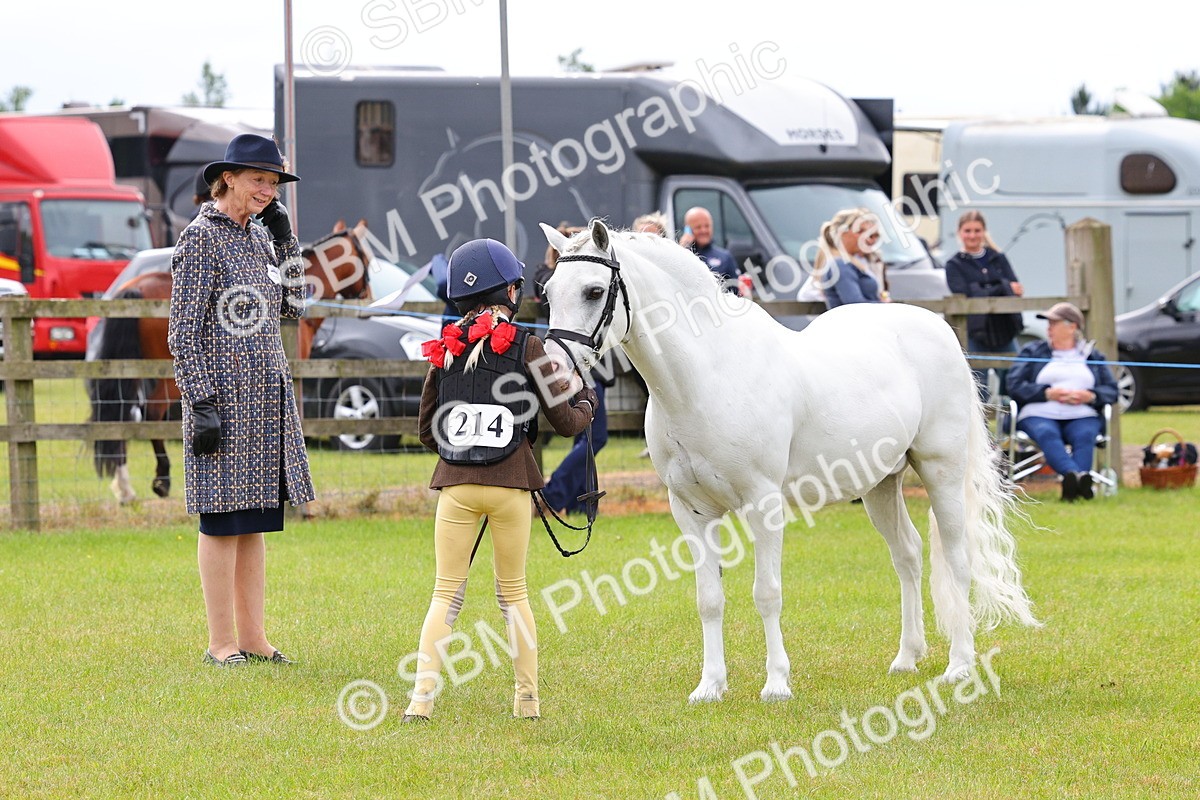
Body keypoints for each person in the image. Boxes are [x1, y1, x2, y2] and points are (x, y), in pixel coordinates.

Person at [404, 238, 597, 723]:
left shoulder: (444, 350)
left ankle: (420, 702)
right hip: (511, 486)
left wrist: (458, 457)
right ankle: (527, 702)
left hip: (456, 487)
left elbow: (426, 428)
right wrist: (588, 400)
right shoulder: (530, 345)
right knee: (513, 595)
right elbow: (567, 422)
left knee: (445, 593)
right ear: (506, 291)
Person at [168, 133, 315, 667]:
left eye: (274, 183)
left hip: (264, 402)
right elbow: (182, 332)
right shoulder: (200, 239)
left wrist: (287, 241)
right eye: (259, 180)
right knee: (220, 523)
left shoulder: (258, 237)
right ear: (227, 177)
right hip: (223, 403)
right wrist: (200, 399)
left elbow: (295, 306)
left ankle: (253, 638)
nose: (268, 191)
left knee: (253, 522)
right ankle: (220, 643)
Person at [1005, 302, 1118, 502]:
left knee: (1085, 435)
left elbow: (1112, 390)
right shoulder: (1033, 351)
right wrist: (1047, 393)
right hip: (1038, 413)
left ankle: (1072, 486)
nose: (1048, 327)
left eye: (1054, 323)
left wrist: (1089, 396)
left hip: (1082, 413)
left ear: (1072, 326)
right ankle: (1078, 478)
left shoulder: (1092, 356)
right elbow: (1013, 384)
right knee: (1047, 433)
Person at [944, 210, 1024, 400]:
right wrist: (1002, 287)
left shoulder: (998, 258)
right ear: (960, 233)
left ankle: (1010, 424)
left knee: (1015, 378)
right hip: (975, 332)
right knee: (978, 388)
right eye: (968, 231)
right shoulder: (954, 265)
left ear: (984, 232)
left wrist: (983, 289)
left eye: (977, 230)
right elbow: (964, 293)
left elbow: (1015, 288)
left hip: (1004, 329)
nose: (972, 235)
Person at [814, 207, 889, 308]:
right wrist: (887, 306)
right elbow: (855, 305)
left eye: (873, 234)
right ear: (842, 233)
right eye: (860, 231)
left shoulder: (863, 261)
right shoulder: (840, 265)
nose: (867, 238)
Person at [677, 206, 742, 294]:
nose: (703, 230)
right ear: (687, 229)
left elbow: (735, 292)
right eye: (698, 227)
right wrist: (682, 249)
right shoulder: (681, 255)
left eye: (707, 226)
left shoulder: (725, 257)